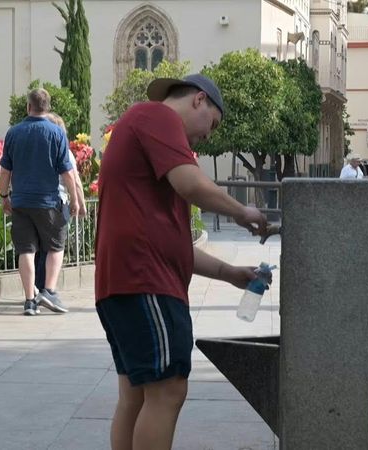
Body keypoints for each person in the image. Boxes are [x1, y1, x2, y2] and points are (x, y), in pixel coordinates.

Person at [95, 73, 268, 450]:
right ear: (198, 100)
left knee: (137, 395)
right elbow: (193, 185)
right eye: (213, 124)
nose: (207, 138)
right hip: (146, 282)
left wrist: (229, 273)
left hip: (124, 281)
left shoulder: (147, 134)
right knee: (168, 391)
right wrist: (241, 210)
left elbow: (171, 241)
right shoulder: (157, 118)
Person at [0, 88, 84, 316]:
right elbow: (68, 173)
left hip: (21, 201)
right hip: (49, 202)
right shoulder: (56, 133)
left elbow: (5, 170)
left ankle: (29, 301)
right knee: (55, 247)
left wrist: (4, 196)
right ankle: (49, 290)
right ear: (48, 107)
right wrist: (75, 200)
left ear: (28, 106)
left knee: (26, 250)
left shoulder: (13, 133)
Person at [33, 113, 87, 295]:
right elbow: (74, 178)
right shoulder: (64, 150)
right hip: (57, 202)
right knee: (53, 247)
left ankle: (35, 288)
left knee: (37, 249)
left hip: (32, 202)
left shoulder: (35, 150)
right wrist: (79, 202)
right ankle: (45, 289)